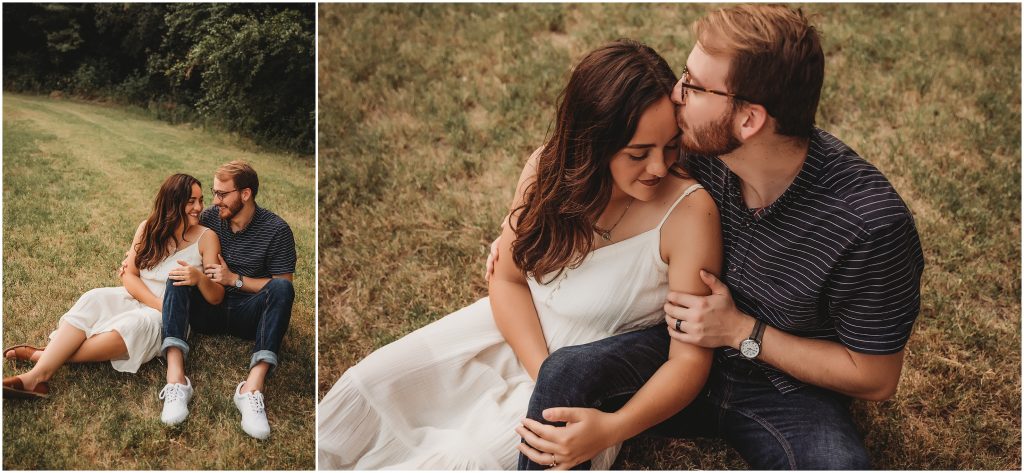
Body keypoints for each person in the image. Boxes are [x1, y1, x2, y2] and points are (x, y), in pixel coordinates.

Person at [494, 5, 925, 470]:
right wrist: (532, 230)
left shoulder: (869, 225)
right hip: (668, 349)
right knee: (569, 372)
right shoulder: (697, 149)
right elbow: (608, 148)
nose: (676, 94)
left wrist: (742, 331)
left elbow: (876, 378)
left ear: (748, 121)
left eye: (694, 85)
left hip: (785, 388)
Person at [318, 39, 722, 469]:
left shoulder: (689, 215)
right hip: (508, 333)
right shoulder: (547, 170)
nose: (660, 167)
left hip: (581, 389)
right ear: (594, 143)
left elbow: (689, 362)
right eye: (638, 154)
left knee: (461, 460)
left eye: (671, 146)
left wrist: (613, 426)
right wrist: (543, 373)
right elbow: (508, 280)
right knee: (370, 385)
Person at [3, 174, 223, 399]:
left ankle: (40, 362)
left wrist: (199, 279)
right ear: (172, 202)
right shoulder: (148, 228)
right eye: (191, 201)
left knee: (134, 326)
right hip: (138, 296)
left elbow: (216, 297)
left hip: (170, 316)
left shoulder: (207, 238)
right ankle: (40, 373)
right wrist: (157, 303)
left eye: (201, 200)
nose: (198, 207)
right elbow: (130, 275)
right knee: (94, 298)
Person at [157, 160, 297, 440]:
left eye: (223, 194)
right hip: (209, 309)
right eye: (215, 193)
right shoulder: (210, 218)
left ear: (245, 194)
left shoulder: (277, 230)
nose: (215, 201)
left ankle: (251, 389)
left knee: (281, 289)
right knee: (181, 274)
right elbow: (166, 227)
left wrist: (235, 279)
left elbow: (283, 285)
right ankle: (176, 381)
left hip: (251, 314)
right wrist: (132, 259)